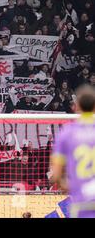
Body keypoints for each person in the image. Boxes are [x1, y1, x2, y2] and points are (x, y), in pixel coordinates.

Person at [52, 85, 95, 218]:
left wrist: (68, 187)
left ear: (75, 107)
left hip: (80, 199)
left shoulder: (67, 132)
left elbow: (56, 174)